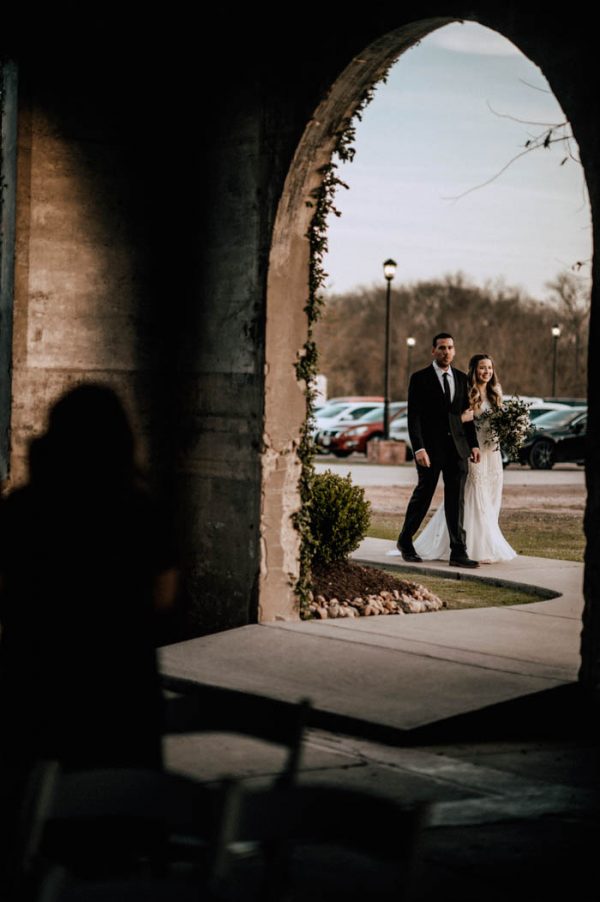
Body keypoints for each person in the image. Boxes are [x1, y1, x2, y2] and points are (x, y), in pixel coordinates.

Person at [0, 384, 178, 880]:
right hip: (121, 692)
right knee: (117, 837)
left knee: (31, 835)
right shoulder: (143, 511)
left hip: (35, 684)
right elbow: (163, 600)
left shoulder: (23, 508)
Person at [413, 354, 517, 564]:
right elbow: (461, 424)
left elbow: (500, 422)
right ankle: (467, 546)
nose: (486, 372)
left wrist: (513, 429)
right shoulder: (468, 390)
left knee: (491, 496)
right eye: (481, 368)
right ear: (474, 370)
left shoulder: (496, 393)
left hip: (492, 454)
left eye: (489, 368)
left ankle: (487, 540)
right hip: (472, 451)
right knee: (471, 496)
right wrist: (471, 445)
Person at [396, 332, 480, 568]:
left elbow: (469, 418)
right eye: (442, 348)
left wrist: (473, 444)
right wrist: (419, 448)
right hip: (430, 450)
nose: (446, 352)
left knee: (456, 501)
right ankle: (405, 540)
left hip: (458, 450)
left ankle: (458, 551)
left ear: (455, 351)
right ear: (433, 351)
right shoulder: (420, 378)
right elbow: (414, 418)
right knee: (424, 495)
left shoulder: (463, 379)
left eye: (450, 348)